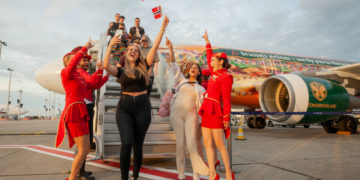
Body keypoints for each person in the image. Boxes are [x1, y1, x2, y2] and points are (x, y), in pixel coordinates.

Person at [103, 16, 170, 180]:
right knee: (126, 144)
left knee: (138, 146)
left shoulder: (144, 65)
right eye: (130, 50)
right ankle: (124, 177)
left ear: (139, 54)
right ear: (126, 54)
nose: (132, 51)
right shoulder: (121, 70)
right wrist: (110, 46)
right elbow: (106, 66)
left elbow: (154, 46)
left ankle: (135, 176)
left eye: (136, 49)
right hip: (124, 108)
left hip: (142, 107)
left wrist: (162, 28)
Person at [164, 37, 209, 180]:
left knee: (192, 144)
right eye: (192, 67)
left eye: (197, 68)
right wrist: (171, 49)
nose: (194, 69)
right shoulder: (181, 80)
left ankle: (196, 173)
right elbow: (173, 63)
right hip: (177, 114)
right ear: (189, 70)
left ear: (199, 73)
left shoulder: (201, 88)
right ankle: (181, 172)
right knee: (180, 144)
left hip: (192, 116)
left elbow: (203, 106)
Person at [55, 41, 98, 180]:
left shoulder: (78, 76)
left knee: (85, 149)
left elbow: (91, 84)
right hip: (73, 110)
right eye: (73, 58)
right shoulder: (65, 73)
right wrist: (84, 49)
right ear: (68, 62)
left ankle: (74, 177)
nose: (78, 60)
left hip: (81, 109)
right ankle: (73, 178)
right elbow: (73, 64)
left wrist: (102, 72)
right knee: (82, 149)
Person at [199, 31, 234, 180]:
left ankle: (227, 172)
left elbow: (226, 99)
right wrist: (207, 42)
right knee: (207, 142)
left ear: (220, 62)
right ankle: (213, 173)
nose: (210, 61)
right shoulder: (213, 73)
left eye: (214, 59)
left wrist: (226, 117)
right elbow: (209, 57)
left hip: (216, 112)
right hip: (206, 110)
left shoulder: (226, 77)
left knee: (220, 144)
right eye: (211, 59)